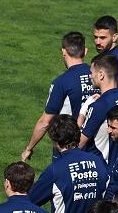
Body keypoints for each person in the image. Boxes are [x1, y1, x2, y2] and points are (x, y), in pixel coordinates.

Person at [22, 32, 92, 162]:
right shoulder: (99, 76)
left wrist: (29, 148)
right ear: (85, 51)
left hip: (68, 146)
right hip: (95, 146)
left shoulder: (62, 82)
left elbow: (45, 122)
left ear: (63, 52)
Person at [78, 53, 118, 165]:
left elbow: (79, 143)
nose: (90, 76)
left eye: (91, 72)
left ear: (101, 75)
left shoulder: (100, 105)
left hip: (101, 168)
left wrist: (83, 112)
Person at [93, 15, 118, 94]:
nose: (98, 42)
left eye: (102, 38)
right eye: (95, 37)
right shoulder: (103, 57)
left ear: (114, 37)